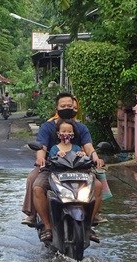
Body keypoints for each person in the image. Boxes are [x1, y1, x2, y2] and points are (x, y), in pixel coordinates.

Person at [25, 92, 105, 243]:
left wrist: (95, 157)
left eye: (69, 106)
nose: (66, 108)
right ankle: (46, 225)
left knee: (99, 185)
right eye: (63, 106)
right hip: (52, 169)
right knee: (36, 185)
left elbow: (88, 146)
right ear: (57, 108)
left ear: (74, 107)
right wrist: (41, 158)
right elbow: (41, 146)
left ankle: (91, 222)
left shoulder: (81, 127)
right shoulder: (47, 127)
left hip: (78, 169)